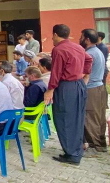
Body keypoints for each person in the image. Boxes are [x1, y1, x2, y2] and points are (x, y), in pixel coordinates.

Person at [44, 24, 92, 166]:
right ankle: (76, 149)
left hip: (66, 86)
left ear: (55, 35)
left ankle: (72, 153)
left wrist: (50, 89)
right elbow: (89, 59)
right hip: (78, 84)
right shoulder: (78, 47)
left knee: (64, 118)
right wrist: (85, 73)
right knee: (77, 118)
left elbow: (56, 72)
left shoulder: (59, 49)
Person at [80, 29, 107, 153]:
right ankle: (100, 143)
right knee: (99, 117)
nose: (80, 39)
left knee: (90, 118)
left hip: (91, 88)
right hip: (99, 87)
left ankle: (94, 146)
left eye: (81, 37)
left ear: (87, 39)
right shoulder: (97, 51)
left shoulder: (89, 54)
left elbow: (84, 74)